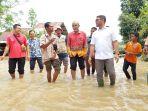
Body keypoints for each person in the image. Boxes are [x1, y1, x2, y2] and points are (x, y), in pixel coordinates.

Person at [90, 15, 119, 87]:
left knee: (111, 73)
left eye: (97, 20)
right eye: (95, 20)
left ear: (103, 20)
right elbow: (92, 45)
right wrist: (90, 56)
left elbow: (115, 42)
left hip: (109, 56)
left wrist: (116, 54)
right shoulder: (95, 33)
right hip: (98, 57)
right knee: (99, 74)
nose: (95, 21)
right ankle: (101, 88)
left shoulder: (110, 31)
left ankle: (112, 86)